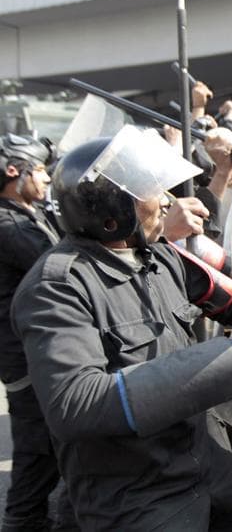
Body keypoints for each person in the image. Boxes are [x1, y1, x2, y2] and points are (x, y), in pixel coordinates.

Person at [11, 125, 232, 531]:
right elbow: (76, 404)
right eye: (150, 191)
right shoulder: (57, 286)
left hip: (197, 457)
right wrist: (223, 361)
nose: (166, 201)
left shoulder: (160, 256)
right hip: (130, 487)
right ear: (113, 210)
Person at [0, 134, 74, 531]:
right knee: (37, 452)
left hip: (35, 353)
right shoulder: (9, 225)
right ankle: (21, 522)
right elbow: (60, 266)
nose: (47, 178)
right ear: (15, 172)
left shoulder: (27, 214)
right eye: (41, 170)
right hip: (26, 360)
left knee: (54, 449)